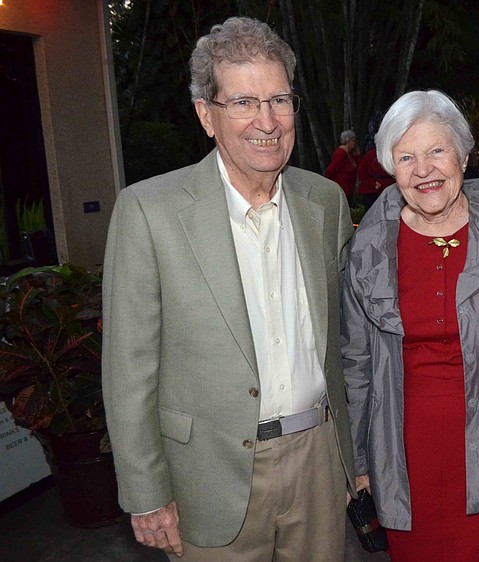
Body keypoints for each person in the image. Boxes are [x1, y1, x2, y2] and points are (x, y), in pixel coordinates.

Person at [102, 17, 355, 561]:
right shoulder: (149, 212)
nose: (266, 121)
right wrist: (146, 494)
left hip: (319, 462)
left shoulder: (326, 203)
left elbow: (341, 345)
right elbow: (128, 369)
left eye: (279, 99)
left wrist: (352, 460)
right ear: (206, 116)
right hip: (208, 478)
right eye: (243, 102)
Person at [342, 90, 479, 561]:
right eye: (407, 156)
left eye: (437, 151)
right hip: (399, 448)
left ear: (462, 153)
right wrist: (358, 463)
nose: (424, 170)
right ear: (390, 166)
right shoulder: (367, 249)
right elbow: (355, 363)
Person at [357, 139, 395, 211]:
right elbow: (361, 173)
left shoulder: (391, 155)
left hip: (389, 190)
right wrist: (373, 184)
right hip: (372, 191)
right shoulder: (370, 155)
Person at [326, 129, 359, 206]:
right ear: (348, 141)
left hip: (348, 190)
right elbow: (330, 171)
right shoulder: (341, 154)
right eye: (353, 141)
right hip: (341, 190)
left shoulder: (349, 154)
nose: (355, 143)